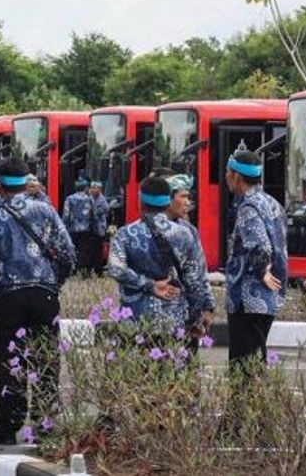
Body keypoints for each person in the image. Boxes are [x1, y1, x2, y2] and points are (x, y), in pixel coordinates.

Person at [0, 156, 76, 445]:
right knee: (46, 361)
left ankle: (7, 428)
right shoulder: (45, 211)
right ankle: (44, 428)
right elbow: (68, 253)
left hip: (8, 297)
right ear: (25, 182)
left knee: (11, 363)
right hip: (44, 295)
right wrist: (54, 283)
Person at [106, 176, 212, 337]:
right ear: (167, 203)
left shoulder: (125, 234)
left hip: (135, 320)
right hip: (174, 322)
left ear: (141, 203)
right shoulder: (185, 234)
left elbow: (115, 268)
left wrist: (149, 285)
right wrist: (197, 318)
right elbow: (195, 280)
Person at [223, 150, 287, 371]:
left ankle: (243, 406)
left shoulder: (248, 207)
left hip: (248, 298)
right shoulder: (272, 203)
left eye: (227, 172)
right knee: (255, 362)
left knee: (243, 367)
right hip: (267, 299)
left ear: (237, 176)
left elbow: (260, 245)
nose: (226, 177)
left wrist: (262, 271)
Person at [164, 173, 215, 340]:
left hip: (182, 313)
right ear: (168, 199)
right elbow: (194, 278)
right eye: (183, 196)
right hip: (167, 313)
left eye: (189, 197)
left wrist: (208, 307)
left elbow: (200, 272)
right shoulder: (183, 232)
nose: (188, 202)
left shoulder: (190, 230)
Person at [63, 177, 108, 275]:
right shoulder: (89, 199)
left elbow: (66, 215)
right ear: (85, 188)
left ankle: (73, 269)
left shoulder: (69, 199)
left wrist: (65, 227)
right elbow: (94, 215)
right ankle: (83, 270)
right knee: (84, 250)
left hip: (72, 229)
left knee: (73, 248)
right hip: (86, 229)